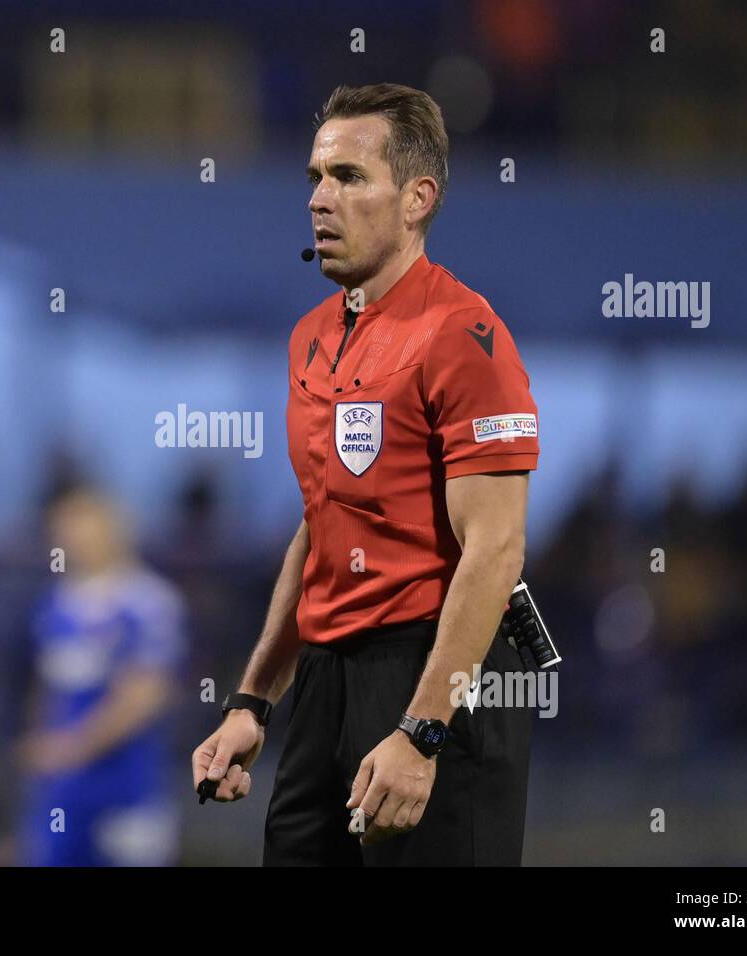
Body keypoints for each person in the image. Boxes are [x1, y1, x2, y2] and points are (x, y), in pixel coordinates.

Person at [191, 83, 542, 865]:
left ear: (418, 198)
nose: (321, 198)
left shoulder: (466, 336)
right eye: (316, 177)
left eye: (349, 178)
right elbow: (320, 527)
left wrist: (423, 731)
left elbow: (495, 550)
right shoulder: (312, 337)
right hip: (326, 675)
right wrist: (253, 699)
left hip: (433, 671)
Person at [18, 484, 186, 865]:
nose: (73, 541)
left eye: (84, 528)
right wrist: (42, 750)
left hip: (126, 786)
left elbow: (147, 694)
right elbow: (48, 687)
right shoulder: (54, 604)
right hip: (64, 790)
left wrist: (73, 748)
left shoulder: (148, 601)